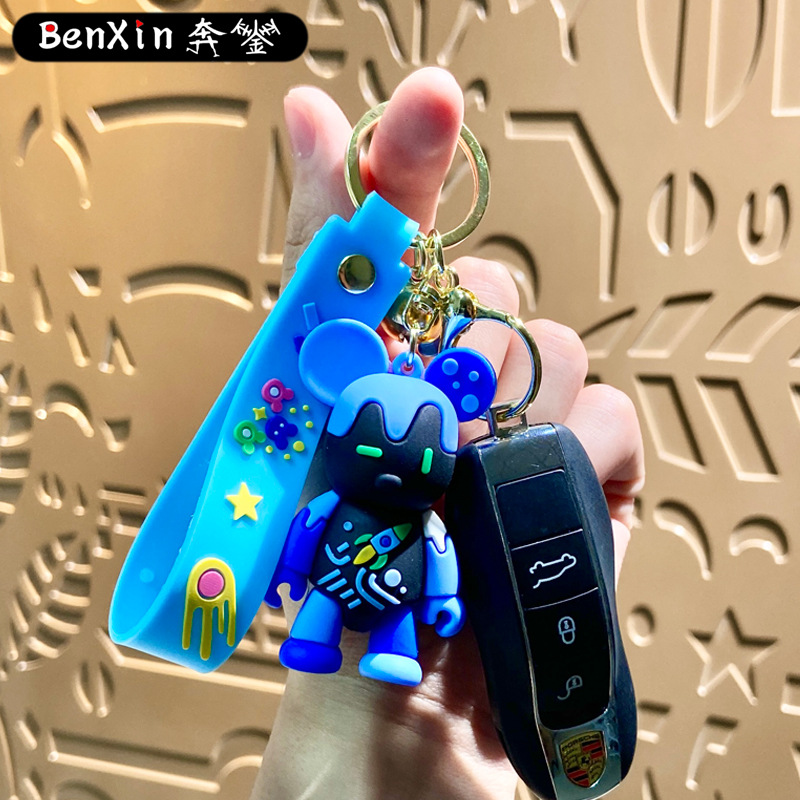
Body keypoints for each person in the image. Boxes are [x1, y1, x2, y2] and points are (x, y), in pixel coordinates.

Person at [249, 67, 644, 800]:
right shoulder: (350, 498)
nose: (389, 460)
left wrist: (445, 603)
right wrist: (288, 571)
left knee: (387, 626)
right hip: (349, 605)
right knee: (325, 620)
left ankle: (384, 648)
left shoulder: (429, 517)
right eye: (370, 444)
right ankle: (322, 642)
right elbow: (308, 530)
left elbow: (436, 550)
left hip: (398, 611)